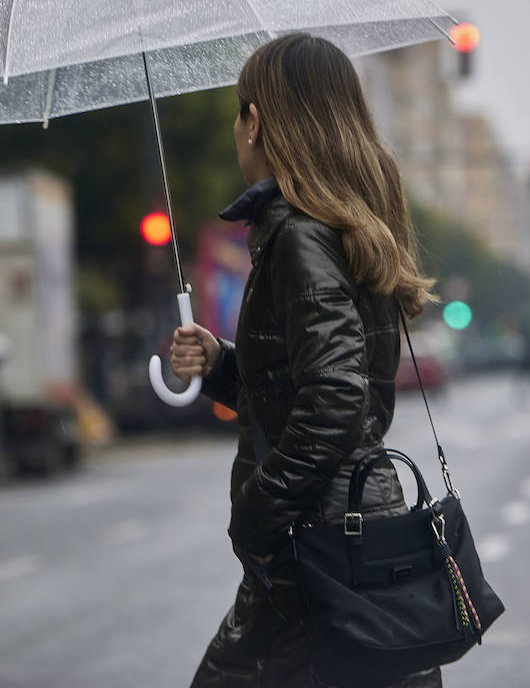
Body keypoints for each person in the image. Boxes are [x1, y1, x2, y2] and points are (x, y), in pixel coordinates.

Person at [170, 34, 443, 688]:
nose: (237, 131)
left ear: (256, 123)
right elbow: (303, 388)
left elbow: (335, 402)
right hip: (344, 531)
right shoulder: (339, 227)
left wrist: (258, 514)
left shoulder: (299, 234)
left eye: (240, 114)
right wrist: (218, 365)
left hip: (311, 544)